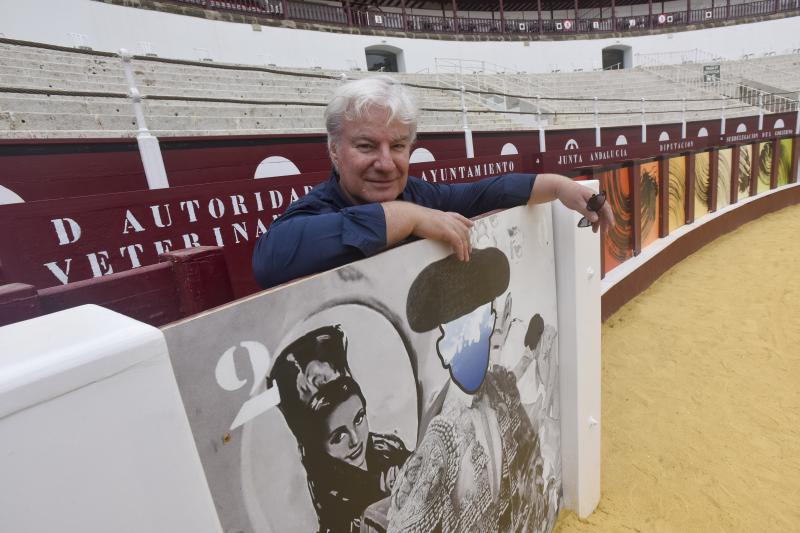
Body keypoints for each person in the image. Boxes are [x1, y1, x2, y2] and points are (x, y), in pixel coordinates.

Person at [252, 75, 613, 289]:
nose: (385, 162)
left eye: (397, 146)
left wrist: (559, 185)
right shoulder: (317, 207)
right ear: (334, 151)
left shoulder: (419, 193)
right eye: (365, 146)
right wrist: (404, 216)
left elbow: (485, 191)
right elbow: (269, 261)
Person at [303, 376, 412, 533]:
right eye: (339, 436)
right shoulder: (334, 508)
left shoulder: (388, 448)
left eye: (359, 419)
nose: (355, 440)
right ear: (321, 448)